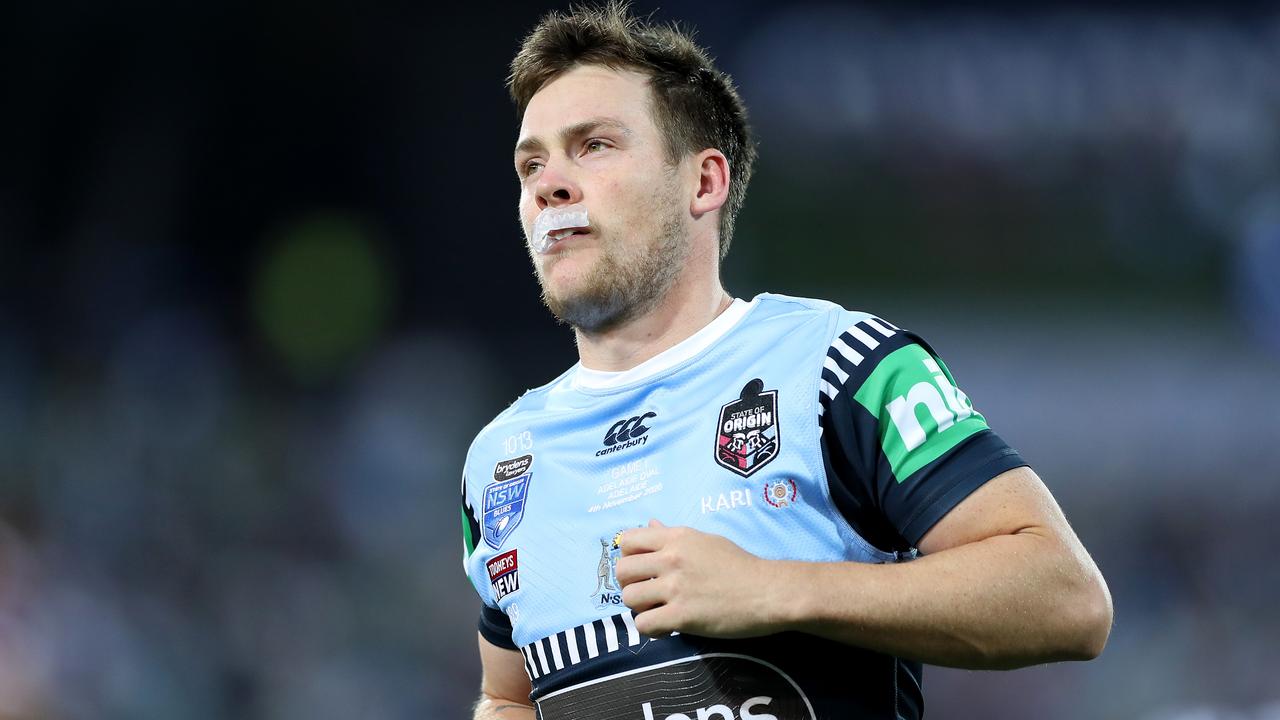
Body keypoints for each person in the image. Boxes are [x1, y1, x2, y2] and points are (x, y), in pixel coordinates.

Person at [460, 3, 1113, 718]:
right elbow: (508, 696)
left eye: (595, 146)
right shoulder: (500, 460)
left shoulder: (841, 366)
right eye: (532, 162)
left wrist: (775, 588)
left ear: (702, 183)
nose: (549, 183)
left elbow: (1067, 598)